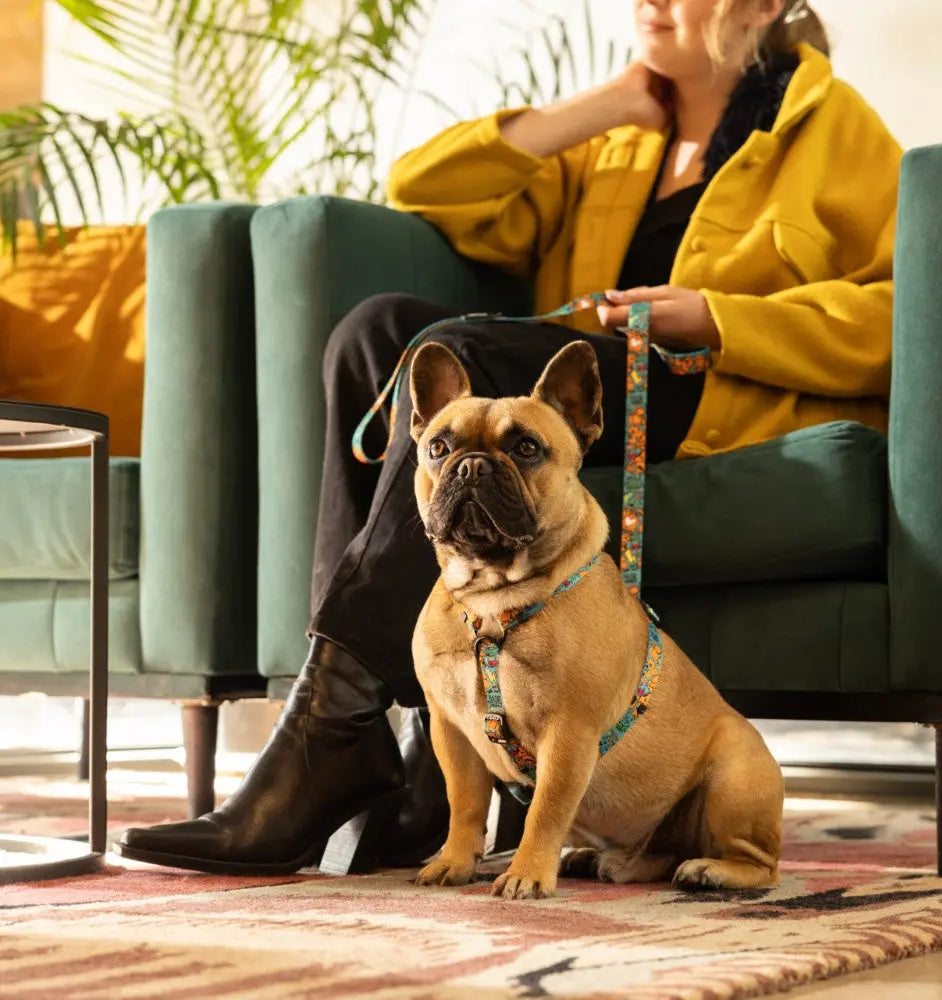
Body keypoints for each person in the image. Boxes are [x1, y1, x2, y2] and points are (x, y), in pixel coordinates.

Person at [118, 0, 901, 874]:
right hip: (562, 410)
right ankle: (393, 744)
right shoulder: (616, 142)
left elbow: (909, 312)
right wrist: (602, 107)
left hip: (700, 394)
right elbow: (421, 186)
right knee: (374, 332)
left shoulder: (835, 127)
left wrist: (720, 316)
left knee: (461, 348)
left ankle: (330, 739)